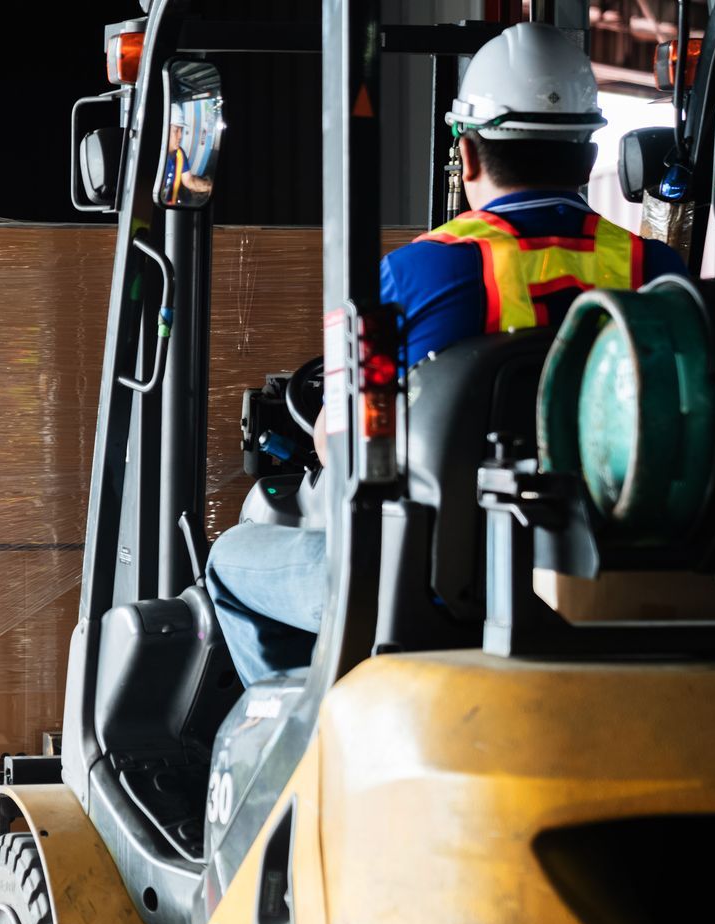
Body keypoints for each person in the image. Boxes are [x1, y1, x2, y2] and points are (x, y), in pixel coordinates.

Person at [205, 22, 688, 685]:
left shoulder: (413, 275)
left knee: (231, 559)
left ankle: (308, 755)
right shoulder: (657, 272)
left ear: (466, 155)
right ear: (585, 153)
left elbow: (343, 450)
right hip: (619, 578)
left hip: (436, 587)